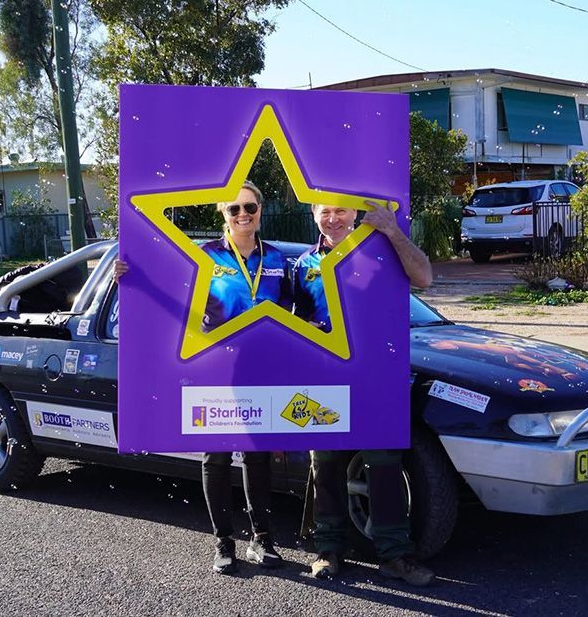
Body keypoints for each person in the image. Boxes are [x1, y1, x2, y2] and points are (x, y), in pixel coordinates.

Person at [115, 181, 292, 575]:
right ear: (222, 213)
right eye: (234, 209)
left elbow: (293, 314)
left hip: (261, 370)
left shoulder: (278, 258)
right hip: (215, 369)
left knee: (258, 456)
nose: (243, 215)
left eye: (250, 207)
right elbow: (168, 295)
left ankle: (262, 539)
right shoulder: (204, 256)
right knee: (217, 456)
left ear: (261, 210)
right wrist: (128, 279)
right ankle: (224, 542)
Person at [294, 200, 436, 587]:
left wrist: (392, 230)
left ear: (355, 214)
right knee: (325, 463)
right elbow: (295, 321)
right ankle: (328, 550)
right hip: (323, 377)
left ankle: (394, 555)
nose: (333, 219)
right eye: (325, 212)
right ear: (314, 215)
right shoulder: (303, 264)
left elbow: (424, 277)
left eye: (341, 211)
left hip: (376, 376)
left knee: (383, 462)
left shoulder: (383, 250)